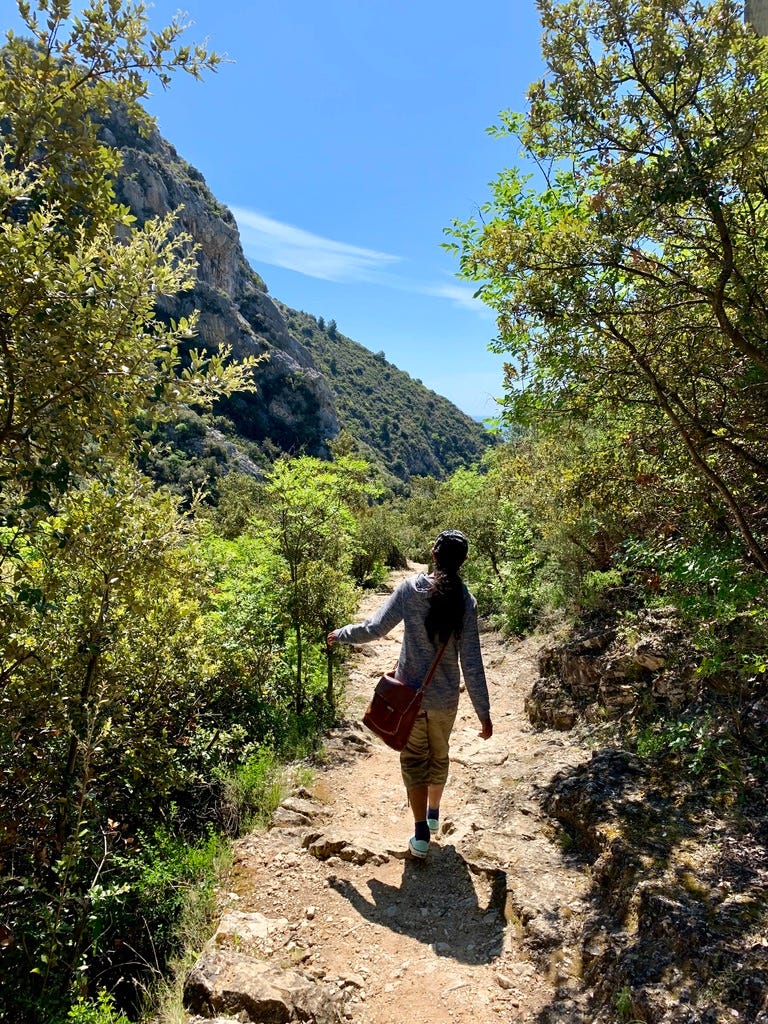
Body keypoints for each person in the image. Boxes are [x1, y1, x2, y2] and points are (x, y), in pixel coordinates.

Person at [327, 529, 493, 860]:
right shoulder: (467, 603)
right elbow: (472, 662)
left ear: (434, 554)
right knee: (440, 755)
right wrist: (484, 714)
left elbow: (375, 628)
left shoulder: (411, 589)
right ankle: (434, 814)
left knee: (415, 759)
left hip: (408, 698)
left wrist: (341, 634)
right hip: (445, 701)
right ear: (462, 562)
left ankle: (420, 835)